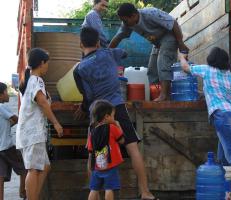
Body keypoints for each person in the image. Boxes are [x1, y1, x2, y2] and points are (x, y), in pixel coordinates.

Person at [74, 27, 157, 200]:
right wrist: (108, 49)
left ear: (80, 44)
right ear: (98, 42)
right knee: (133, 148)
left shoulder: (79, 69)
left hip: (97, 112)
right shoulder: (109, 54)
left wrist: (83, 108)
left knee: (94, 154)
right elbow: (124, 53)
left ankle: (95, 195)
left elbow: (88, 96)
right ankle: (145, 193)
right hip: (117, 108)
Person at [179, 47, 231, 200]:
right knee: (223, 158)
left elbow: (185, 68)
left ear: (211, 59)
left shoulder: (206, 69)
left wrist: (181, 57)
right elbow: (217, 92)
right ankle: (227, 193)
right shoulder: (229, 75)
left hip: (221, 116)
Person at [109, 3, 189, 101]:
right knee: (152, 70)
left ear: (133, 16)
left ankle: (164, 95)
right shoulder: (127, 23)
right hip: (157, 42)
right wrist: (106, 52)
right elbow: (118, 37)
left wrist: (180, 43)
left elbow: (173, 24)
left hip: (169, 35)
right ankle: (159, 94)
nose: (124, 23)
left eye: (125, 20)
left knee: (163, 62)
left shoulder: (150, 13)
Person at [16, 48, 63, 200]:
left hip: (30, 133)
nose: (47, 66)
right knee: (33, 169)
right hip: (32, 133)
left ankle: (33, 196)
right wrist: (56, 123)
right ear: (41, 63)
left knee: (44, 166)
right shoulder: (36, 80)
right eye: (47, 63)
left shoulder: (29, 81)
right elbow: (42, 102)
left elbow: (42, 100)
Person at [87, 100, 124, 200]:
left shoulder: (92, 132)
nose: (114, 118)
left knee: (94, 189)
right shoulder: (112, 128)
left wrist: (91, 167)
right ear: (107, 117)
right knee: (109, 188)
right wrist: (118, 125)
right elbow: (122, 140)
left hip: (97, 166)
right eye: (113, 116)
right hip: (110, 165)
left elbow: (90, 151)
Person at [0, 82, 26, 200]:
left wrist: (7, 126)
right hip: (7, 146)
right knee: (25, 168)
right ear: (1, 95)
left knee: (0, 176)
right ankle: (23, 192)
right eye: (6, 92)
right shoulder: (1, 107)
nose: (8, 95)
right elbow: (15, 118)